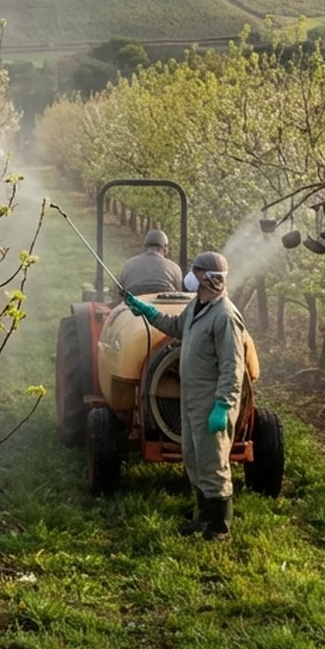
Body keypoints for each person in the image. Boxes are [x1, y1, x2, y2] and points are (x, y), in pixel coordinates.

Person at [122, 251, 243, 538]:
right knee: (193, 456)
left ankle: (219, 526)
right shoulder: (197, 305)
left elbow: (232, 367)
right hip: (190, 398)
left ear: (207, 277)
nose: (191, 276)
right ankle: (202, 516)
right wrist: (147, 312)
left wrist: (223, 406)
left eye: (196, 271)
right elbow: (177, 327)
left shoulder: (225, 316)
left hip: (211, 401)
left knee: (213, 461)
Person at [118, 229, 183, 296]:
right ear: (165, 250)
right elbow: (178, 295)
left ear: (145, 248)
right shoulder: (174, 268)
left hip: (133, 304)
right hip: (163, 305)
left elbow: (120, 293)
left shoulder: (127, 266)